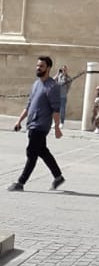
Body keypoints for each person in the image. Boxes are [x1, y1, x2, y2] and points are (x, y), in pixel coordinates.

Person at [8, 55, 65, 191]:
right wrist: (19, 121)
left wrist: (57, 128)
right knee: (42, 151)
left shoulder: (52, 87)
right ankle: (58, 176)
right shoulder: (36, 84)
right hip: (32, 124)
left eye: (41, 66)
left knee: (32, 153)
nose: (38, 68)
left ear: (48, 68)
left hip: (40, 126)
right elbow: (29, 105)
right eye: (37, 65)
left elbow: (56, 110)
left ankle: (21, 182)